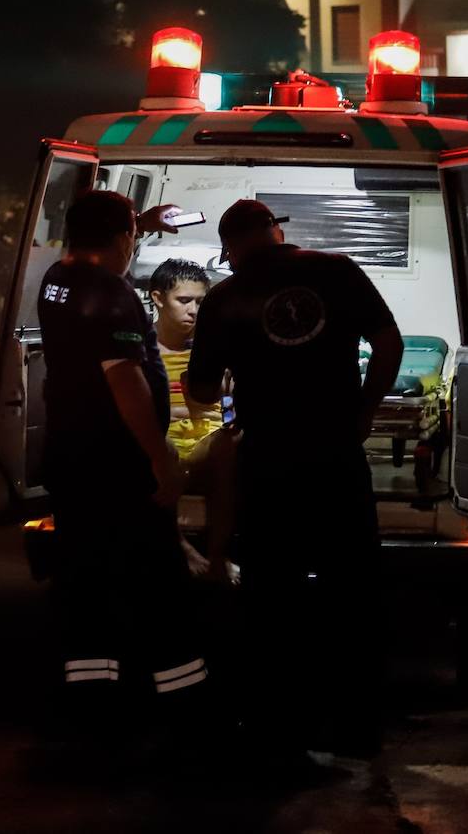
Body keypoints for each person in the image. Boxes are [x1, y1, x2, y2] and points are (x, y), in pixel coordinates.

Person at [183, 198, 403, 761]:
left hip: (268, 466)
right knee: (352, 593)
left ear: (231, 249)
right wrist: (364, 410)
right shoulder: (337, 269)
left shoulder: (225, 298)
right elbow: (390, 342)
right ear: (276, 232)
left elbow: (203, 391)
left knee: (272, 598)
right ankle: (357, 731)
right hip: (336, 458)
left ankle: (280, 733)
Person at [37, 189, 208, 748]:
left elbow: (107, 236)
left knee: (85, 584)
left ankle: (90, 712)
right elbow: (126, 382)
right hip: (117, 464)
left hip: (72, 461)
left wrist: (142, 220)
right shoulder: (113, 296)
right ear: (121, 238)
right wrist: (162, 461)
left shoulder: (56, 281)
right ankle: (185, 713)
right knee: (161, 587)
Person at [148, 258, 237, 584]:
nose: (193, 310)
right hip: (161, 441)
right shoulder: (144, 348)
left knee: (228, 444)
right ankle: (179, 544)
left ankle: (219, 555)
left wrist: (227, 409)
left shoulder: (211, 347)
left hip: (206, 440)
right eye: (184, 301)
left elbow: (228, 409)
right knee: (157, 446)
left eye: (200, 302)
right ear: (158, 298)